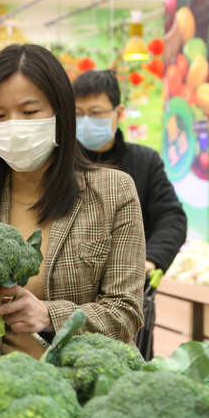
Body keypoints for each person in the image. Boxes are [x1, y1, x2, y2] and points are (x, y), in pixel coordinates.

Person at [0, 44, 146, 362]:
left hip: (86, 382)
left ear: (60, 113)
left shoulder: (113, 192)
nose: (14, 126)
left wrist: (49, 316)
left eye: (29, 112)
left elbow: (127, 313)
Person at [73, 70, 187, 275]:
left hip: (130, 278)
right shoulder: (61, 164)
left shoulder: (145, 161)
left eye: (96, 112)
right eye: (79, 114)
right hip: (73, 281)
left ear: (118, 113)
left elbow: (171, 217)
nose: (86, 121)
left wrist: (152, 259)